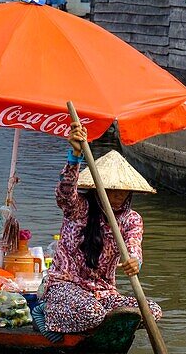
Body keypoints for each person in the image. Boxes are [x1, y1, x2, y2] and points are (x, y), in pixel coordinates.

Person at [38, 122, 163, 334]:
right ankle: (47, 311)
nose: (117, 195)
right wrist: (75, 157)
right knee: (92, 314)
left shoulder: (131, 219)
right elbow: (65, 194)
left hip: (103, 292)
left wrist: (135, 262)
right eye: (111, 189)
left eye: (123, 190)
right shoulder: (80, 208)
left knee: (152, 311)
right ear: (99, 188)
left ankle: (100, 327)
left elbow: (134, 246)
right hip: (65, 285)